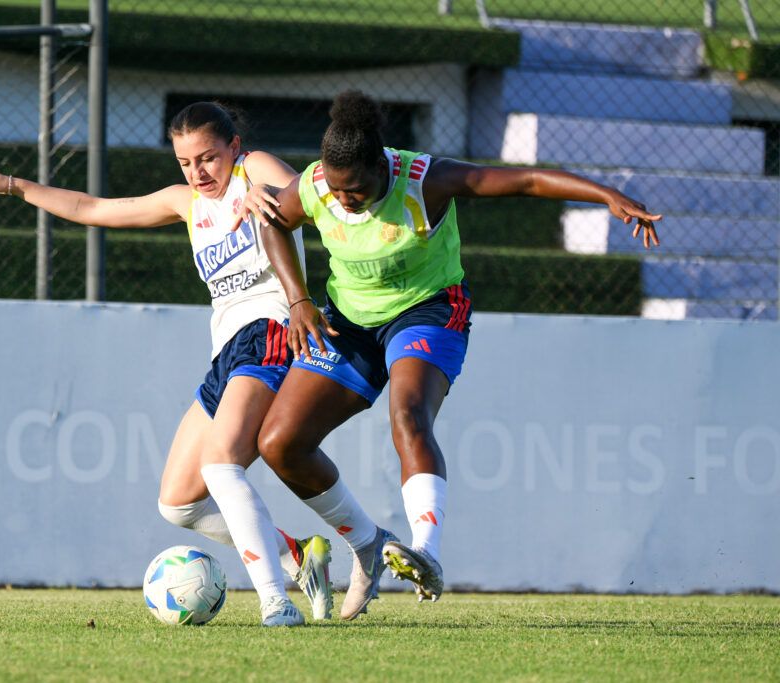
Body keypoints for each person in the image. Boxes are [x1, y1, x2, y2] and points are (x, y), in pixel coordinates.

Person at [0, 102, 381, 626]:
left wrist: (269, 194)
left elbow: (308, 192)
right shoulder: (186, 204)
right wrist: (13, 185)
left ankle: (275, 600)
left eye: (209, 158)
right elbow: (92, 208)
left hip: (271, 331)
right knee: (178, 503)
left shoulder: (257, 168)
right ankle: (297, 554)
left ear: (234, 149)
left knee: (221, 465)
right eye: (186, 162)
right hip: (228, 351)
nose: (199, 172)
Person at [240, 90, 662, 604]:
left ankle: (427, 553)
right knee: (280, 443)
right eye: (334, 188)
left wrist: (606, 196)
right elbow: (274, 224)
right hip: (349, 324)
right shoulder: (315, 186)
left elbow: (525, 179)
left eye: (353, 190)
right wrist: (298, 299)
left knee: (408, 413)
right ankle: (369, 545)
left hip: (429, 312)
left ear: (382, 166)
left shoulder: (427, 181)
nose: (341, 200)